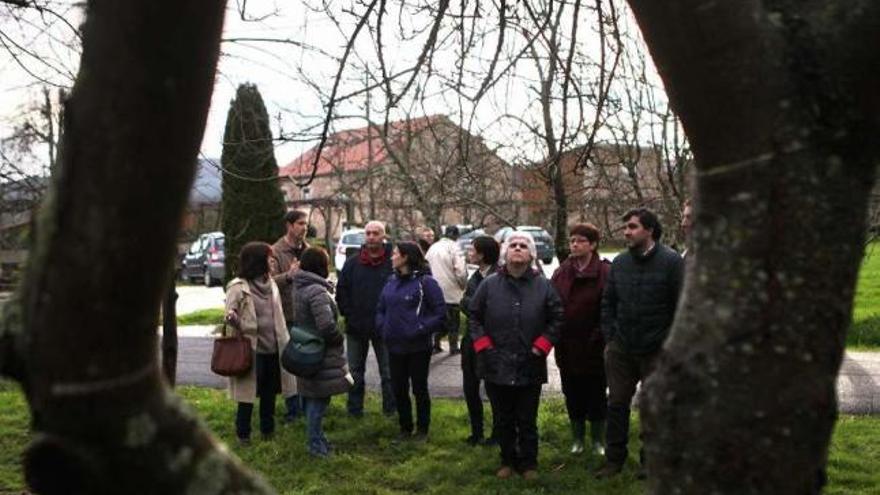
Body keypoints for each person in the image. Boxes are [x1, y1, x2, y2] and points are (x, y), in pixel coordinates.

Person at [595, 208, 684, 479]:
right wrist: (611, 337)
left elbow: (680, 305)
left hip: (657, 349)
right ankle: (613, 461)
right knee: (616, 405)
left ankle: (651, 463)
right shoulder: (620, 263)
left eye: (632, 227)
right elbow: (608, 302)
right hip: (621, 348)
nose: (626, 232)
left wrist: (668, 342)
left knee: (654, 407)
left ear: (649, 230)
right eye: (626, 227)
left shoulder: (671, 262)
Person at [469, 231, 564, 480]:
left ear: (532, 254)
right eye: (513, 245)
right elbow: (474, 316)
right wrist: (483, 345)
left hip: (530, 362)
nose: (518, 248)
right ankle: (507, 460)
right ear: (505, 253)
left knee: (527, 418)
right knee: (503, 418)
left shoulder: (544, 285)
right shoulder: (489, 285)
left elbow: (557, 318)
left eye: (524, 245)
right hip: (495, 362)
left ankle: (529, 463)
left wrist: (542, 346)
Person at [223, 242, 298, 445]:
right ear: (258, 261)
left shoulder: (271, 284)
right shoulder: (238, 287)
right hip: (251, 349)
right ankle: (243, 435)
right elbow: (229, 315)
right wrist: (232, 317)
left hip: (273, 348)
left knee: (269, 393)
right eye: (269, 258)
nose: (272, 262)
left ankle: (268, 431)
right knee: (246, 396)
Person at [551, 223, 611, 456]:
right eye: (572, 240)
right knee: (572, 392)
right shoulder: (562, 271)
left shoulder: (606, 272)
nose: (574, 244)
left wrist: (600, 335)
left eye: (580, 241)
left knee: (596, 393)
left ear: (593, 245)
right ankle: (577, 438)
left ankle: (598, 440)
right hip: (567, 345)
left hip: (595, 345)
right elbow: (553, 303)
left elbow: (609, 306)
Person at [376, 242, 446, 440]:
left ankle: (422, 429)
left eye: (395, 254)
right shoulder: (391, 281)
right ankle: (405, 428)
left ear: (405, 257)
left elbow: (440, 313)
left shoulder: (426, 283)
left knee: (419, 388)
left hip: (418, 347)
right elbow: (381, 308)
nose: (391, 257)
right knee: (398, 388)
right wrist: (382, 327)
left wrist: (420, 329)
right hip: (394, 345)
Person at [290, 247, 353, 457]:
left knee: (310, 397)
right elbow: (326, 325)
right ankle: (315, 446)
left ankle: (318, 440)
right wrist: (338, 338)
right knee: (319, 400)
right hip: (321, 351)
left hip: (306, 347)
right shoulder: (316, 290)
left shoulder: (300, 286)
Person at [336, 220, 396, 417]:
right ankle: (354, 411)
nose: (371, 237)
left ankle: (390, 410)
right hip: (356, 326)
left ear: (384, 236)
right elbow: (342, 290)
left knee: (388, 373)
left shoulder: (392, 262)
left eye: (376, 233)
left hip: (386, 328)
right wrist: (348, 314)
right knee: (354, 373)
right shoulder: (353, 262)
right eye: (368, 233)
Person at [460, 235, 501, 446]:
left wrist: (474, 306)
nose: (469, 253)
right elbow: (464, 303)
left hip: (491, 342)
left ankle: (497, 434)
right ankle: (476, 432)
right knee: (470, 388)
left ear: (483, 254)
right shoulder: (475, 276)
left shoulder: (500, 277)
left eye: (472, 250)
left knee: (494, 390)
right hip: (470, 341)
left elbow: (491, 310)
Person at [270, 209, 310, 421]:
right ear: (289, 225)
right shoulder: (276, 251)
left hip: (307, 314)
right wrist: (289, 276)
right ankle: (293, 408)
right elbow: (269, 283)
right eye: (300, 224)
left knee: (307, 361)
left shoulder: (308, 249)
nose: (304, 228)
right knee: (290, 364)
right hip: (287, 314)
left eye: (306, 224)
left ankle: (308, 404)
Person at [425, 225, 468, 354]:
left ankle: (435, 344)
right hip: (451, 290)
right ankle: (453, 347)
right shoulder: (455, 248)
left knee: (439, 320)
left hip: (433, 290)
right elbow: (460, 271)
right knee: (453, 321)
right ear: (456, 236)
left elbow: (425, 264)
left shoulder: (433, 247)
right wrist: (463, 285)